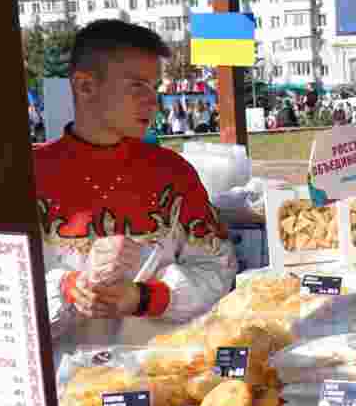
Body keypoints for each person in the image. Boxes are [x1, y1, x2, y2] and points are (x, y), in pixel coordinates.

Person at [32, 19, 237, 349]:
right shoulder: (27, 177)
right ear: (85, 86)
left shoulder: (173, 172)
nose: (153, 102)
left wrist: (144, 298)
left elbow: (217, 269)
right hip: (61, 387)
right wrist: (70, 289)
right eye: (137, 86)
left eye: (154, 87)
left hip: (159, 379)